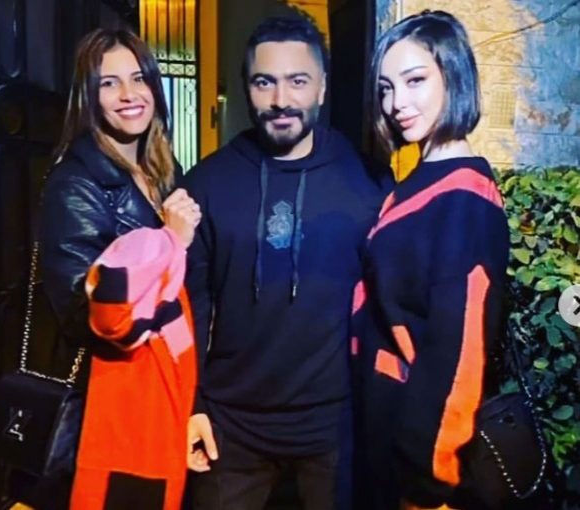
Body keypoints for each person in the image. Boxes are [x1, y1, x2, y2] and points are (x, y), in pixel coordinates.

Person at [183, 14, 390, 510]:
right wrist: (193, 405)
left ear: (322, 86)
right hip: (230, 426)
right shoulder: (207, 183)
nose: (280, 99)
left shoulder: (368, 183)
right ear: (247, 88)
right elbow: (191, 306)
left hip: (332, 427)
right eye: (264, 82)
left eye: (298, 81)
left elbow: (389, 307)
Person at [39, 28, 201, 509]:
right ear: (89, 97)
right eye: (109, 83)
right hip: (114, 404)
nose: (129, 94)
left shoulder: (162, 172)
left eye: (138, 78)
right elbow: (85, 315)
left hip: (162, 389)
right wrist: (169, 241)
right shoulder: (77, 184)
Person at [356, 10, 510, 510]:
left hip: (417, 460)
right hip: (381, 431)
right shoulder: (412, 183)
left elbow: (458, 352)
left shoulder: (465, 196)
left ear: (454, 76)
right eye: (386, 88)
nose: (396, 103)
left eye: (415, 80)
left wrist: (429, 480)